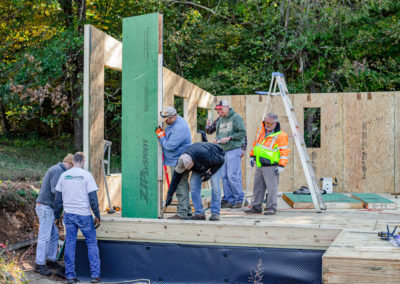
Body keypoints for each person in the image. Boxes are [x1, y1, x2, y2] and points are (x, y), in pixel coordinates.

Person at [54, 152, 101, 284]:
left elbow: (58, 200)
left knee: (70, 243)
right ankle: (95, 276)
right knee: (91, 243)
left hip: (69, 215)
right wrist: (97, 215)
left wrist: (57, 216)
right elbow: (93, 199)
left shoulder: (64, 175)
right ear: (83, 161)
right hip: (84, 215)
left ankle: (70, 276)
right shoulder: (87, 176)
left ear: (73, 161)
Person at [34, 153, 74, 277]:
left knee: (54, 234)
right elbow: (56, 191)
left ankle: (51, 260)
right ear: (70, 164)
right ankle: (39, 264)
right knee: (44, 236)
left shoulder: (60, 170)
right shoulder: (57, 170)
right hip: (45, 206)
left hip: (49, 207)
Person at [165, 142, 225, 221]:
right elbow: (175, 180)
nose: (185, 170)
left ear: (191, 163)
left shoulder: (203, 154)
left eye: (187, 168)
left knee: (215, 185)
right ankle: (199, 213)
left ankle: (215, 213)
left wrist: (210, 173)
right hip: (200, 163)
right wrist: (169, 195)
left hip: (217, 158)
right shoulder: (182, 161)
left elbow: (221, 160)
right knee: (193, 185)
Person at [245, 113, 290, 215]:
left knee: (272, 188)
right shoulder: (260, 131)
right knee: (258, 187)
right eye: (266, 122)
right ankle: (256, 207)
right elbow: (255, 145)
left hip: (272, 166)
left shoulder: (281, 135)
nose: (267, 125)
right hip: (260, 164)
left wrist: (281, 165)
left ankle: (271, 208)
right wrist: (252, 156)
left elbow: (284, 151)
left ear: (275, 123)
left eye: (270, 123)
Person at [205, 105, 248, 207]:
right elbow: (211, 131)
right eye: (217, 111)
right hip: (222, 151)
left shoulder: (236, 118)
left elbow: (243, 134)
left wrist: (242, 147)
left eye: (220, 110)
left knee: (232, 175)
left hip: (233, 150)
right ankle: (230, 200)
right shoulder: (220, 119)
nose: (219, 113)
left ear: (227, 108)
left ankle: (240, 199)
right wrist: (211, 132)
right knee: (224, 176)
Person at [155, 106, 192, 220]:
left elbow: (170, 146)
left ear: (173, 117)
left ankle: (182, 214)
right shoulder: (174, 122)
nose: (165, 122)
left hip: (179, 161)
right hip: (175, 160)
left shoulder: (179, 127)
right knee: (182, 185)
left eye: (166, 119)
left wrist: (161, 136)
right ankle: (187, 211)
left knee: (180, 187)